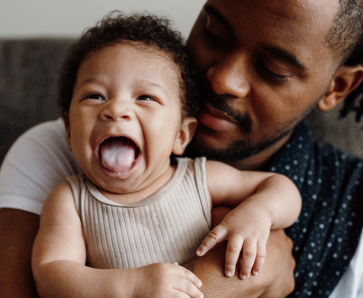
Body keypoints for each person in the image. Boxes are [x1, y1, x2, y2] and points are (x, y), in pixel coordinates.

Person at [1, 0, 363, 297]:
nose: (223, 79)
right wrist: (229, 283)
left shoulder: (349, 210)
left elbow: (278, 190)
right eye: (214, 34)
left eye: (272, 69)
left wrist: (259, 213)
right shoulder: (58, 161)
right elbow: (49, 275)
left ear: (338, 86)